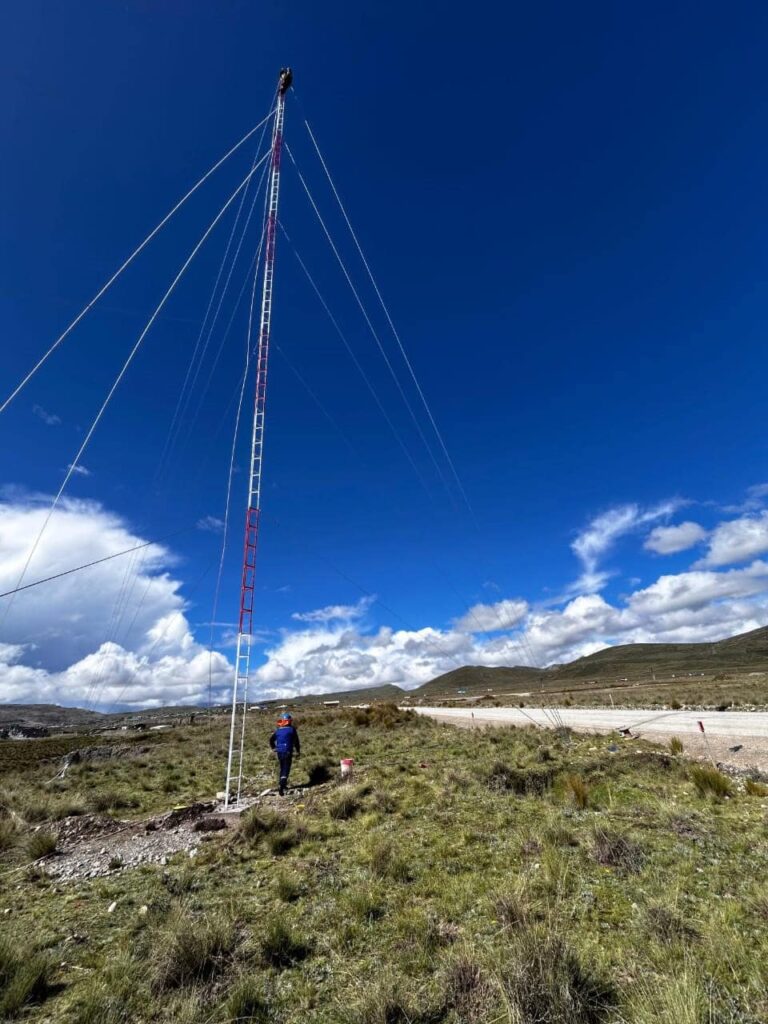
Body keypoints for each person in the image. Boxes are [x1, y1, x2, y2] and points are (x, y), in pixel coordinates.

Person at [269, 713, 301, 795]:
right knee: (286, 768)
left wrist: (274, 748)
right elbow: (296, 741)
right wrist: (298, 751)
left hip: (279, 752)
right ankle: (282, 785)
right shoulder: (292, 730)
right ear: (289, 721)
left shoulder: (278, 730)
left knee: (282, 767)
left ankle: (282, 784)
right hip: (287, 751)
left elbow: (271, 740)